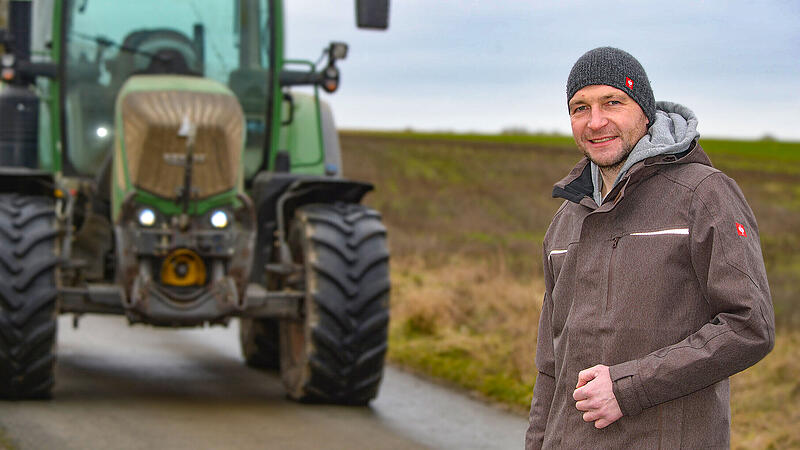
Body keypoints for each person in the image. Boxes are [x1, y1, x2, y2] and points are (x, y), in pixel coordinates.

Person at [525, 47, 775, 449]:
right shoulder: (564, 223)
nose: (596, 121)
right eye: (580, 108)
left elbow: (750, 326)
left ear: (644, 110)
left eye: (612, 102)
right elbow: (550, 367)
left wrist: (627, 388)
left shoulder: (704, 195)